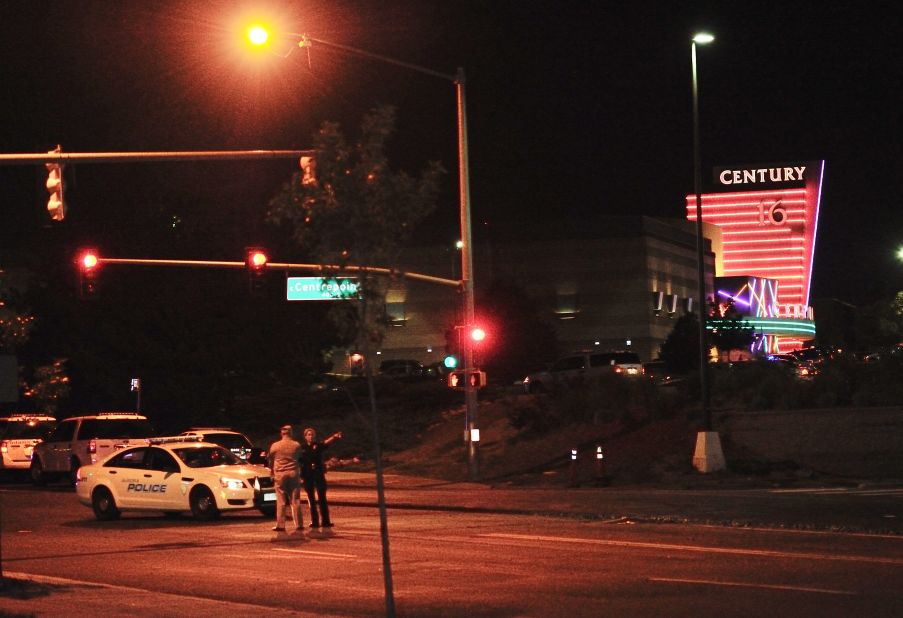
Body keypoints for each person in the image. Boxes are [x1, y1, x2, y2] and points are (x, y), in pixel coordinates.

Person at [299, 427, 342, 529]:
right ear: (305, 437)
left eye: (312, 434)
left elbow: (326, 443)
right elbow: (298, 459)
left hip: (318, 473)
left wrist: (334, 437)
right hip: (308, 474)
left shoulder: (317, 446)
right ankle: (314, 521)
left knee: (322, 497)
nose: (311, 436)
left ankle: (326, 521)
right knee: (311, 498)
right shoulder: (302, 448)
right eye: (308, 434)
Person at [267, 424, 303, 533]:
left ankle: (281, 525)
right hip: (293, 474)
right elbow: (300, 458)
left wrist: (272, 471)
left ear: (281, 433)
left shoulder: (275, 445)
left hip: (280, 474)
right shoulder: (296, 445)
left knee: (281, 501)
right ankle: (299, 524)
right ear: (291, 433)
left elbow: (270, 459)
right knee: (295, 500)